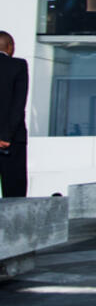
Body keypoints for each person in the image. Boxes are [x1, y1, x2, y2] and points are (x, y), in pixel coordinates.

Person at [0, 31, 29, 198]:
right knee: (14, 196)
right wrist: (5, 136)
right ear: (10, 46)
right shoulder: (18, 65)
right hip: (12, 141)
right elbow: (18, 104)